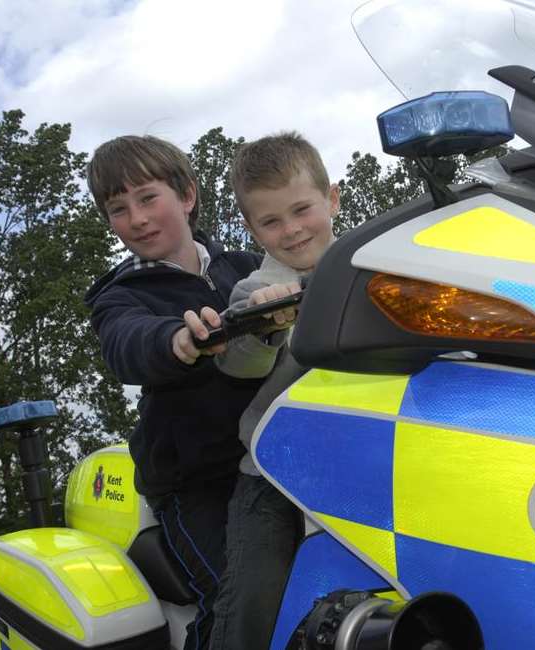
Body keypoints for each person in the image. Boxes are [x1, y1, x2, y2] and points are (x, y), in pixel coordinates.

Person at [83, 135, 262, 650]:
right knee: (238, 596)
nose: (136, 218)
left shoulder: (245, 268)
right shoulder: (121, 295)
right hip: (194, 479)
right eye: (119, 208)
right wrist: (176, 339)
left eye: (147, 197)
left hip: (273, 459)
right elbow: (126, 341)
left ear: (186, 195)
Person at [203, 131, 338, 650]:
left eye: (302, 209)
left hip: (366, 459)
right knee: (254, 605)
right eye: (271, 221)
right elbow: (241, 367)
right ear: (251, 228)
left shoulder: (372, 269)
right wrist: (266, 324)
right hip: (272, 475)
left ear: (332, 199)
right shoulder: (254, 291)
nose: (292, 230)